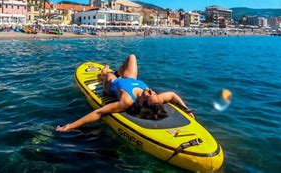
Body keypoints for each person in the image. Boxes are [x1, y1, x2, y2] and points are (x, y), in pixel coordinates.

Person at [56, 55, 194, 132]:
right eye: (153, 92)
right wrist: (187, 109)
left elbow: (99, 113)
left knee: (108, 75)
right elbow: (173, 95)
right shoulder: (156, 99)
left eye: (149, 94)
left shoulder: (127, 101)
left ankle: (103, 73)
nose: (151, 91)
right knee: (132, 57)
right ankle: (116, 71)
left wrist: (70, 126)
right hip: (130, 79)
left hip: (112, 85)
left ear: (141, 103)